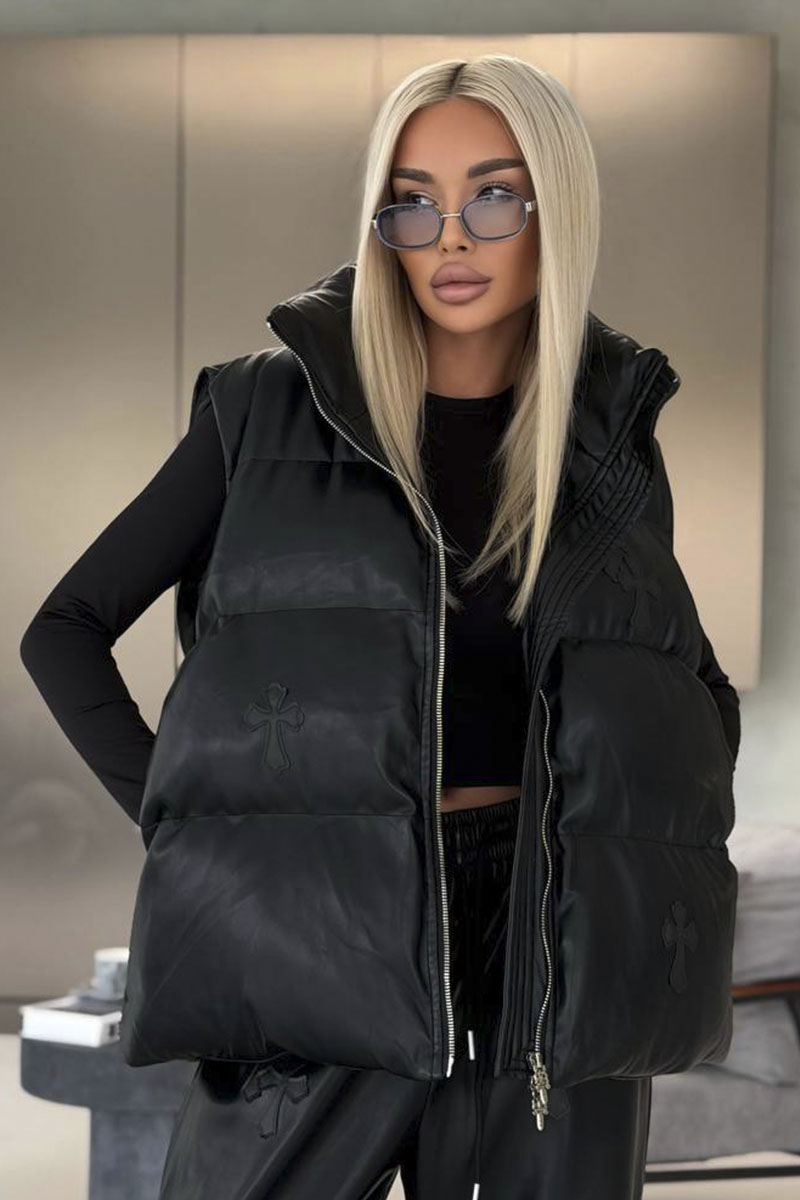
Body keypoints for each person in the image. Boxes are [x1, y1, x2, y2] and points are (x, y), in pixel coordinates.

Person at [20, 54, 741, 1200]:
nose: (448, 236)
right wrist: (193, 825)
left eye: (492, 196)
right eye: (411, 202)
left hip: (545, 934)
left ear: (555, 210)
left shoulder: (605, 435)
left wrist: (641, 850)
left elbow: (678, 675)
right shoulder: (264, 407)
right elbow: (64, 628)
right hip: (323, 912)